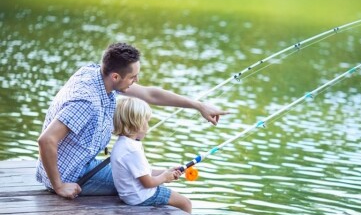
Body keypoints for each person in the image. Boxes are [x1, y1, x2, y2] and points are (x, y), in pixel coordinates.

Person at [37, 42, 226, 200]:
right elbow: (46, 140)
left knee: (139, 173)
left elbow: (151, 94)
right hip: (71, 175)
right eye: (133, 77)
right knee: (146, 188)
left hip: (80, 163)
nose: (136, 80)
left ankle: (161, 172)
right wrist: (60, 185)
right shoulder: (86, 101)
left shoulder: (96, 74)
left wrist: (199, 106)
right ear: (115, 76)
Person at [111, 97, 196, 215]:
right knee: (185, 203)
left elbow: (144, 171)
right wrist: (165, 177)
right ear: (135, 123)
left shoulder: (123, 144)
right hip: (142, 196)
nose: (148, 127)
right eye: (146, 122)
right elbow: (148, 182)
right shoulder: (133, 150)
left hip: (130, 196)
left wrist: (166, 171)